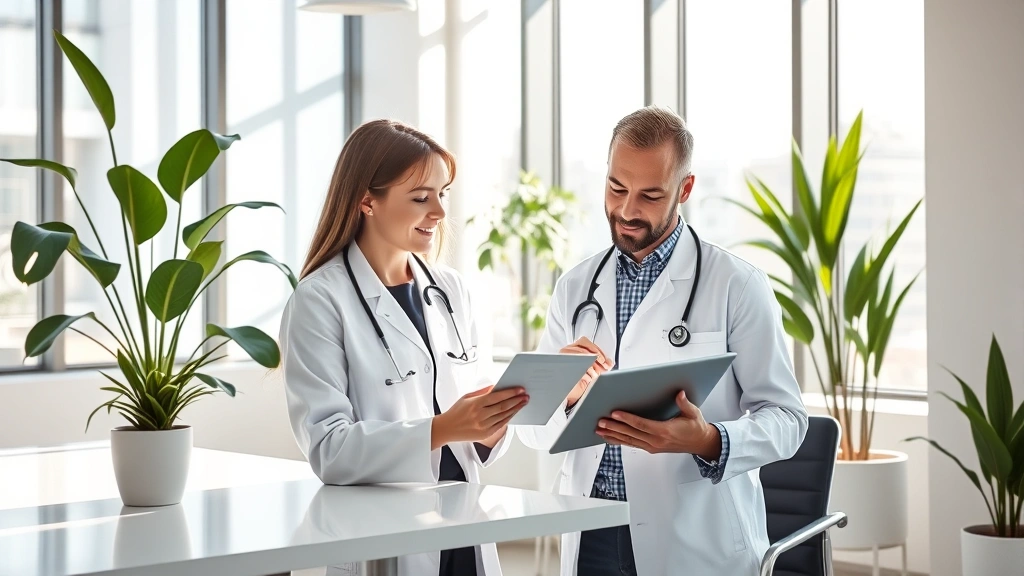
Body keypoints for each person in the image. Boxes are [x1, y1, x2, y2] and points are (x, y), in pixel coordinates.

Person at [517, 106, 808, 575]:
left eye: (651, 195)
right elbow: (532, 430)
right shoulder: (575, 287)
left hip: (692, 535)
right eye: (616, 188)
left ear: (685, 189)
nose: (628, 210)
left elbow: (789, 420)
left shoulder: (736, 284)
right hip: (592, 529)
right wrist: (565, 393)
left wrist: (710, 440)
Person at [280, 119, 528, 576]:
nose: (438, 212)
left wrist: (494, 421)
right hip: (382, 543)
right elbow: (329, 449)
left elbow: (474, 434)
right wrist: (442, 428)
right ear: (367, 201)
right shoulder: (319, 300)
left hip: (464, 530)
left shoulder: (454, 291)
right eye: (420, 197)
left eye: (442, 194)